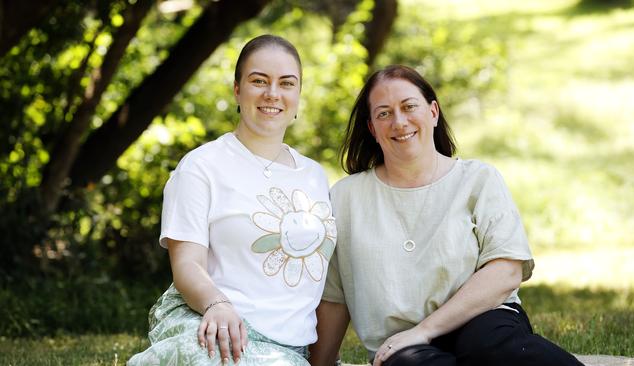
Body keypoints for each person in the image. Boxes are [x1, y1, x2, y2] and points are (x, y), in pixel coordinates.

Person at [309, 65, 583, 366]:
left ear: (433, 112)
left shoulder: (478, 179)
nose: (399, 122)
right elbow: (334, 296)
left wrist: (425, 330)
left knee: (489, 345)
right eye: (384, 113)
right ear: (372, 128)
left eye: (409, 106)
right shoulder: (345, 198)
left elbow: (507, 270)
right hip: (402, 347)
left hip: (483, 321)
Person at [127, 34, 337, 366]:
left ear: (298, 94)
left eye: (286, 83)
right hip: (213, 322)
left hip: (287, 349)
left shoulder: (314, 176)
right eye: (259, 81)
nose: (272, 93)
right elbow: (187, 264)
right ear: (237, 89)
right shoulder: (202, 167)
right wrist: (217, 304)